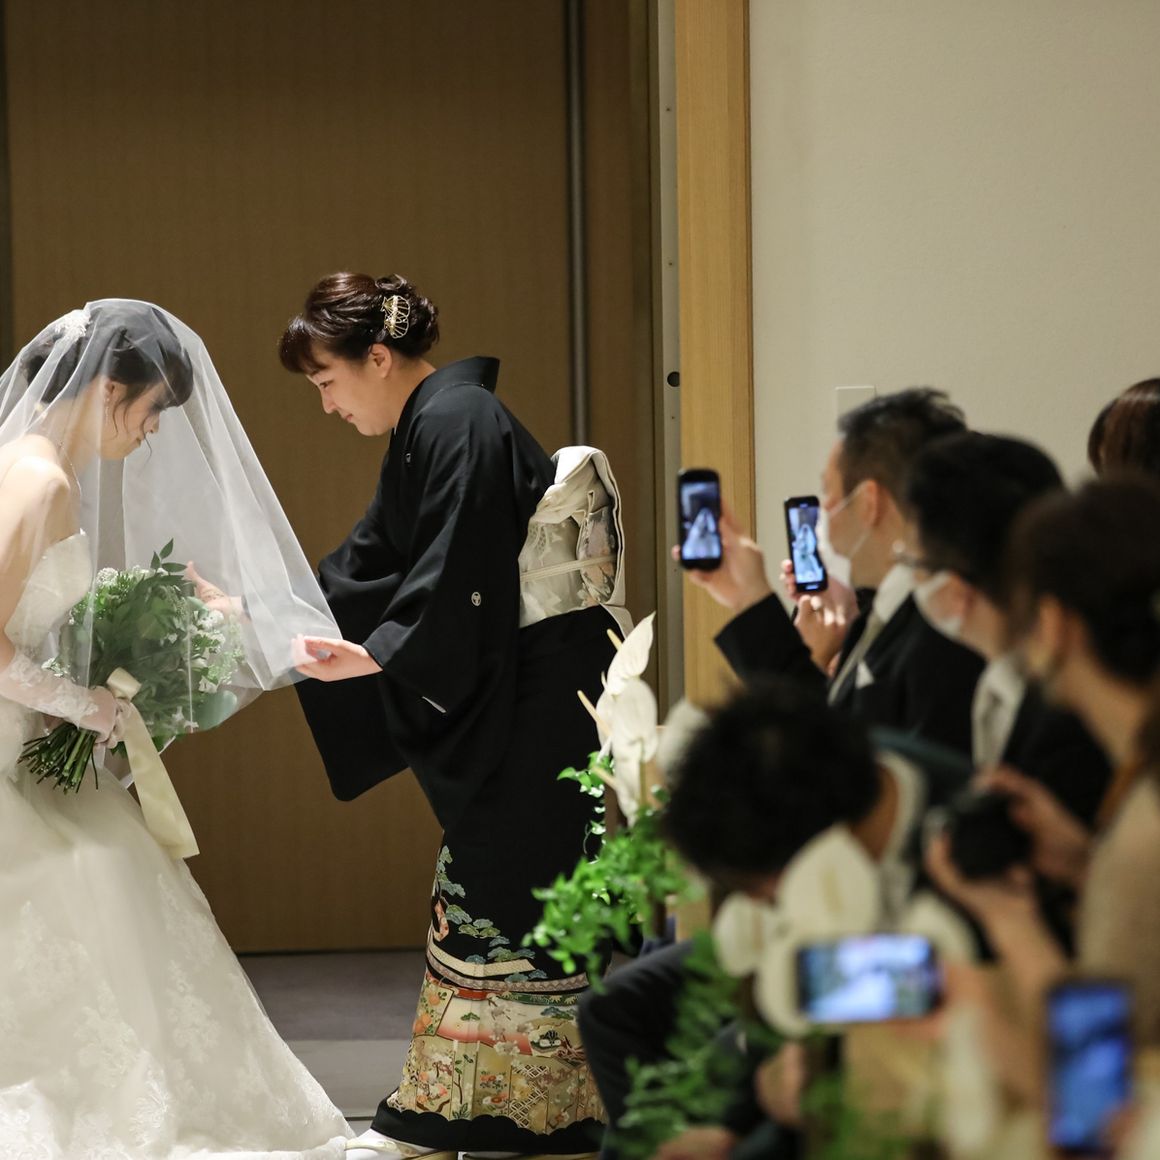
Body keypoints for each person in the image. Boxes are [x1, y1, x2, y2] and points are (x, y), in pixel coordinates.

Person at [281, 273, 626, 1159]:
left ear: (378, 358)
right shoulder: (431, 425)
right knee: (493, 893)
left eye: (328, 381)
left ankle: (472, 1115)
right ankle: (506, 1111)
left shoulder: (458, 419)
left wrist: (384, 653)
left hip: (541, 696)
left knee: (509, 889)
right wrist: (275, 613)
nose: (327, 405)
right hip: (519, 685)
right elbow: (371, 563)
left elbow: (459, 574)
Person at [0, 301, 351, 1158]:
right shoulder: (39, 480)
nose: (153, 430)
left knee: (110, 874)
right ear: (107, 390)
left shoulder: (35, 468)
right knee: (95, 877)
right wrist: (85, 705)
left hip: (23, 737)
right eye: (152, 408)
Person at [928, 478, 1160, 1055]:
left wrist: (1008, 918)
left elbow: (1097, 1080)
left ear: (1053, 625)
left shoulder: (1142, 833)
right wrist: (1085, 864)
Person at [692, 388, 984, 755]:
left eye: (829, 493)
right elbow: (832, 727)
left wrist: (754, 600)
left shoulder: (943, 629)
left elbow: (843, 763)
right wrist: (748, 596)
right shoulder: (878, 613)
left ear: (869, 502)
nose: (824, 511)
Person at [902, 431, 1111, 828]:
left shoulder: (1069, 711)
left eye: (912, 562)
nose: (909, 578)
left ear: (955, 591)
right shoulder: (1000, 678)